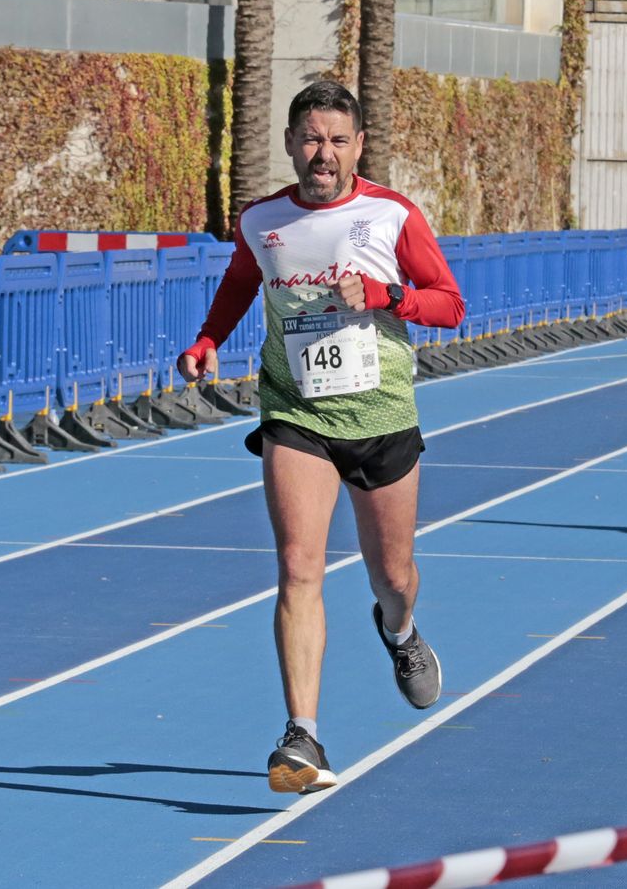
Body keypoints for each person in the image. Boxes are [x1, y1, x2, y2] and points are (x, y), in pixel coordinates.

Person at [178, 81, 464, 794]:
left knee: (392, 577)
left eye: (337, 140)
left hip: (381, 415)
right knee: (298, 566)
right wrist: (209, 340)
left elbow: (451, 305)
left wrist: (388, 296)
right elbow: (242, 282)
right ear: (290, 143)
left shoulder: (391, 215)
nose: (323, 153)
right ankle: (301, 733)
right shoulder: (262, 219)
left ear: (359, 146)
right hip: (296, 411)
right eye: (311, 138)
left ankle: (399, 631)